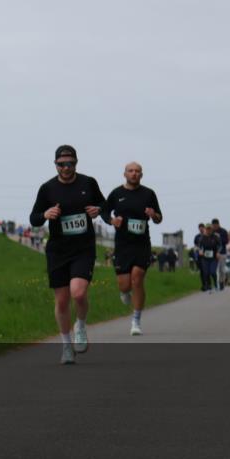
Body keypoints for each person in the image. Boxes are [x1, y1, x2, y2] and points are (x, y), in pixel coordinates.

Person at [30, 145, 105, 364]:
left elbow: (104, 203)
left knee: (78, 293)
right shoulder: (47, 189)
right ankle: (66, 345)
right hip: (58, 250)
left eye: (70, 163)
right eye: (61, 164)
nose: (66, 167)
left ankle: (80, 325)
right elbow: (34, 218)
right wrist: (45, 213)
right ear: (55, 165)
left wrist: (98, 210)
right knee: (62, 301)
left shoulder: (88, 183)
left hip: (83, 248)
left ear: (76, 163)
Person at [102, 161, 162, 336]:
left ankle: (136, 320)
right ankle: (124, 292)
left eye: (137, 171)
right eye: (131, 171)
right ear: (125, 174)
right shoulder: (116, 193)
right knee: (124, 284)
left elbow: (159, 218)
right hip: (122, 245)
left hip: (142, 243)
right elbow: (104, 212)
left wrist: (154, 214)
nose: (134, 174)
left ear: (141, 175)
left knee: (137, 279)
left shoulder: (149, 194)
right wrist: (112, 221)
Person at [195, 223, 222, 292]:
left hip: (214, 257)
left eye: (210, 229)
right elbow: (199, 246)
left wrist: (218, 252)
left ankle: (216, 284)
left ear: (211, 229)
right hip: (205, 257)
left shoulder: (215, 237)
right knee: (206, 272)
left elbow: (220, 246)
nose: (208, 230)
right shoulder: (202, 238)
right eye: (207, 229)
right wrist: (200, 251)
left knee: (212, 272)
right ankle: (208, 286)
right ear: (205, 229)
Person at [210, 219, 230, 288]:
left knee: (222, 269)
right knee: (215, 269)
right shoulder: (211, 231)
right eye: (213, 225)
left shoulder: (223, 231)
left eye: (216, 225)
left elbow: (226, 241)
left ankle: (222, 281)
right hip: (213, 253)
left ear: (218, 224)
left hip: (222, 253)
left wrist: (219, 238)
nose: (214, 226)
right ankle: (216, 282)